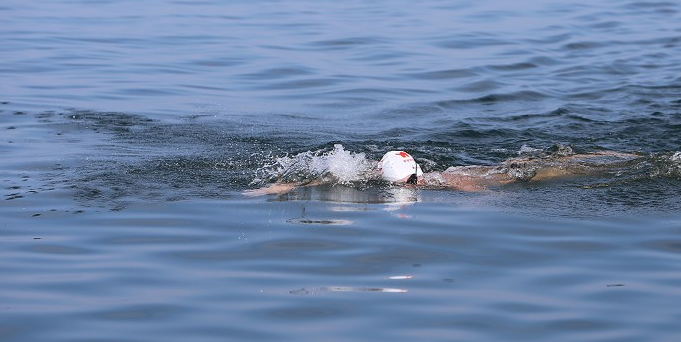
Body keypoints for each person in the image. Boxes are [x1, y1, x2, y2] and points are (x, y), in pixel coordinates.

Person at [244, 148, 639, 196]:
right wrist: (288, 184)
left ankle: (622, 155)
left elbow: (479, 191)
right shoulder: (372, 173)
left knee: (562, 169)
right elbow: (324, 176)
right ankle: (616, 153)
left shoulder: (444, 181)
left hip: (503, 174)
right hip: (486, 168)